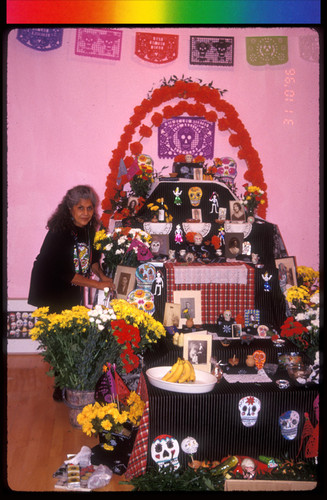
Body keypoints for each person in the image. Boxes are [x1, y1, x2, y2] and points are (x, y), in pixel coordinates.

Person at [28, 185, 114, 399]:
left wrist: (103, 277)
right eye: (80, 208)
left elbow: (92, 261)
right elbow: (67, 273)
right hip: (51, 287)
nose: (86, 213)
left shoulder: (90, 229)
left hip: (72, 285)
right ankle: (60, 385)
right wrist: (98, 285)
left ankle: (72, 380)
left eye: (89, 208)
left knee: (74, 333)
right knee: (59, 337)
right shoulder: (59, 233)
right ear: (70, 209)